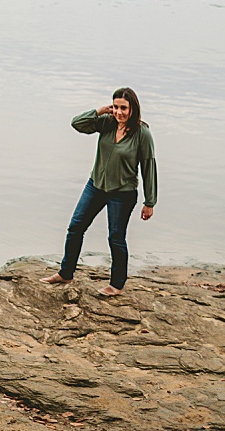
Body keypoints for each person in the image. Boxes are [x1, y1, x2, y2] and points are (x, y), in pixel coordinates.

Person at [43, 87, 158, 296]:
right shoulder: (107, 123)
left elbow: (149, 167)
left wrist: (150, 202)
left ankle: (117, 285)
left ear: (133, 108)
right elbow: (77, 124)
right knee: (75, 227)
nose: (119, 112)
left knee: (116, 237)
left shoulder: (142, 133)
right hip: (96, 185)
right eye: (115, 107)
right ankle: (66, 273)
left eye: (123, 108)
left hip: (122, 192)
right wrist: (99, 111)